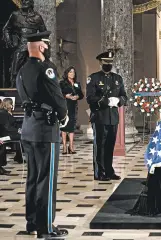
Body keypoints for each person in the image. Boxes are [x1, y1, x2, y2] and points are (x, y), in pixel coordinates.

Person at [16, 30, 69, 239]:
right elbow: (57, 97)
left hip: (28, 128)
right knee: (46, 180)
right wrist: (64, 117)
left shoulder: (21, 70)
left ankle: (32, 222)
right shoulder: (46, 69)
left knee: (32, 178)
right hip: (46, 130)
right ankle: (46, 228)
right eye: (46, 45)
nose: (47, 49)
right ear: (41, 46)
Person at [86, 51, 127, 181]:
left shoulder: (117, 78)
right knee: (100, 145)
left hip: (113, 117)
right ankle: (99, 172)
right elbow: (90, 97)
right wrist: (106, 101)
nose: (108, 64)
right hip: (99, 116)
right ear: (100, 62)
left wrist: (119, 101)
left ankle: (109, 171)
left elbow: (124, 96)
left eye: (110, 62)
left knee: (110, 145)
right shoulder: (93, 78)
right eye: (106, 62)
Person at [2, 0, 47, 87]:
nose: (23, 2)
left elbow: (44, 33)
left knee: (36, 70)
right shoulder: (15, 15)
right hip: (21, 46)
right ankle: (14, 87)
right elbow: (6, 29)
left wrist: (42, 46)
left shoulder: (37, 17)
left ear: (31, 3)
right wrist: (10, 42)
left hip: (33, 47)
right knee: (15, 69)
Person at [59, 66, 84, 154]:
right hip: (65, 106)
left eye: (73, 72)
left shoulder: (77, 83)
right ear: (67, 73)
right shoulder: (62, 83)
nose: (72, 74)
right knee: (65, 126)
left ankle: (71, 146)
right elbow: (58, 93)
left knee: (72, 127)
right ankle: (65, 147)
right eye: (70, 72)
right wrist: (66, 96)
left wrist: (77, 96)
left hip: (73, 107)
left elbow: (81, 94)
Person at [0, 98, 23, 164]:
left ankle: (18, 156)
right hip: (5, 136)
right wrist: (18, 130)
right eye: (12, 104)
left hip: (5, 134)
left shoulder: (5, 112)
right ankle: (19, 157)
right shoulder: (4, 114)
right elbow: (8, 127)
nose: (13, 106)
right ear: (9, 105)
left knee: (20, 136)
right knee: (21, 137)